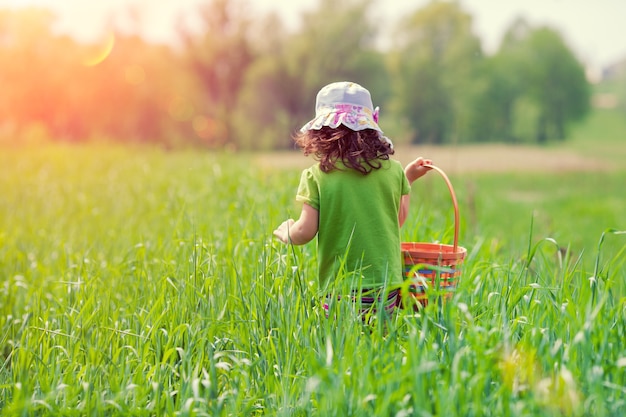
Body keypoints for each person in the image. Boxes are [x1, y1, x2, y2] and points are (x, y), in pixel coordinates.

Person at [273, 81, 432, 319]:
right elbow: (395, 219)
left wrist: (287, 232)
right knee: (379, 344)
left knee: (342, 346)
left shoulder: (317, 175)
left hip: (340, 288)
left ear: (321, 133)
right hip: (385, 286)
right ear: (370, 129)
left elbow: (305, 231)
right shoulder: (394, 170)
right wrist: (407, 178)